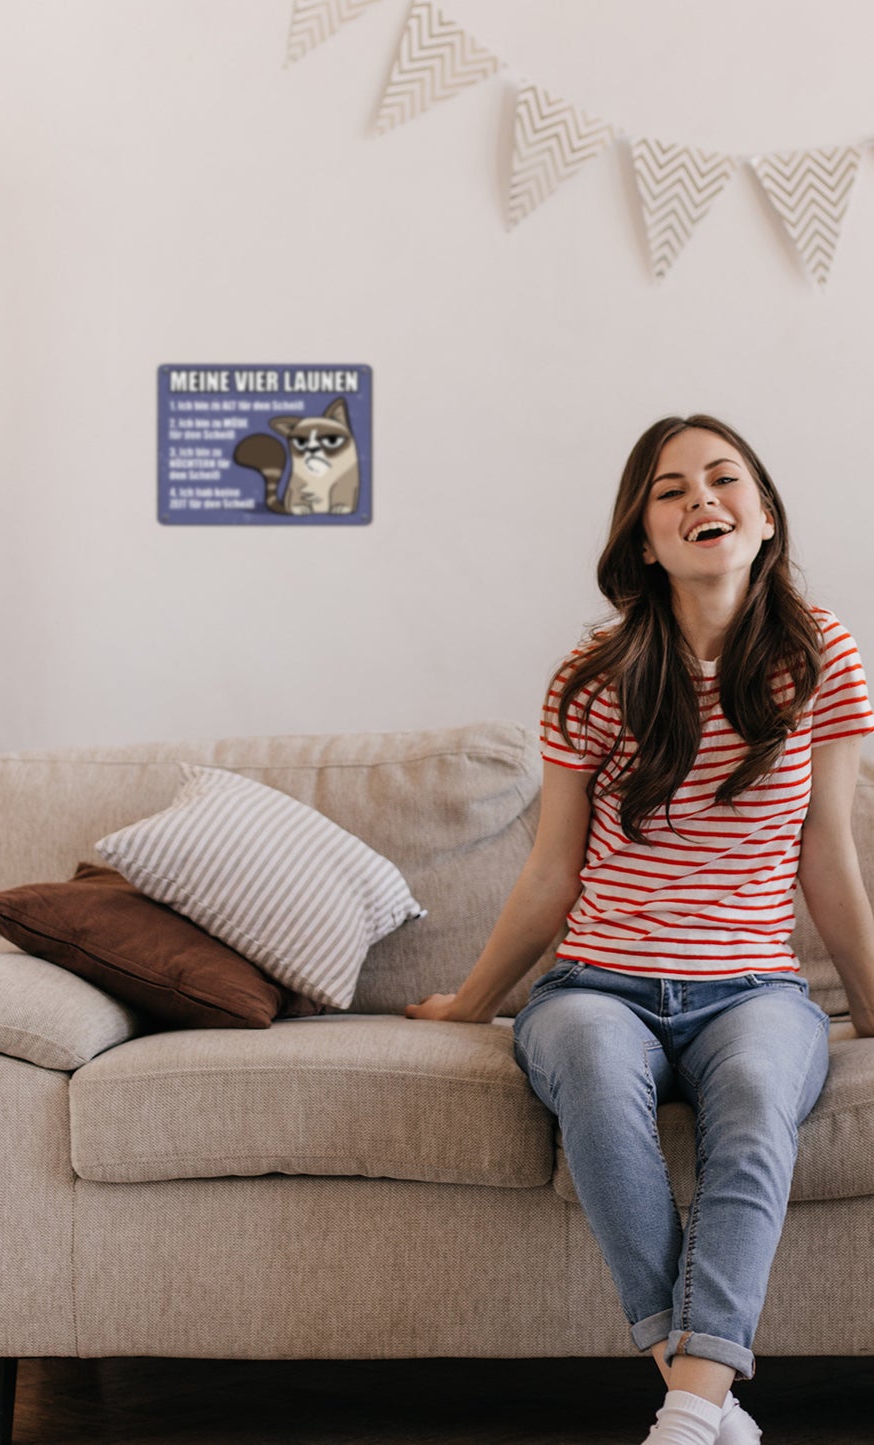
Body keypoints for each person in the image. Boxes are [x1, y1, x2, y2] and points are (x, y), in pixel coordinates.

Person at [405, 414, 874, 1445]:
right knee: (586, 1068)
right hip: (594, 984)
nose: (699, 497)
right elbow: (551, 870)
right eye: (669, 489)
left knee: (755, 1096)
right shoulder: (593, 671)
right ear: (642, 538)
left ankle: (686, 1408)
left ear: (761, 519)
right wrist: (472, 1003)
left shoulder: (820, 654)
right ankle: (702, 1397)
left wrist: (873, 1008)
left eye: (722, 478)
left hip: (752, 990)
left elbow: (825, 852)